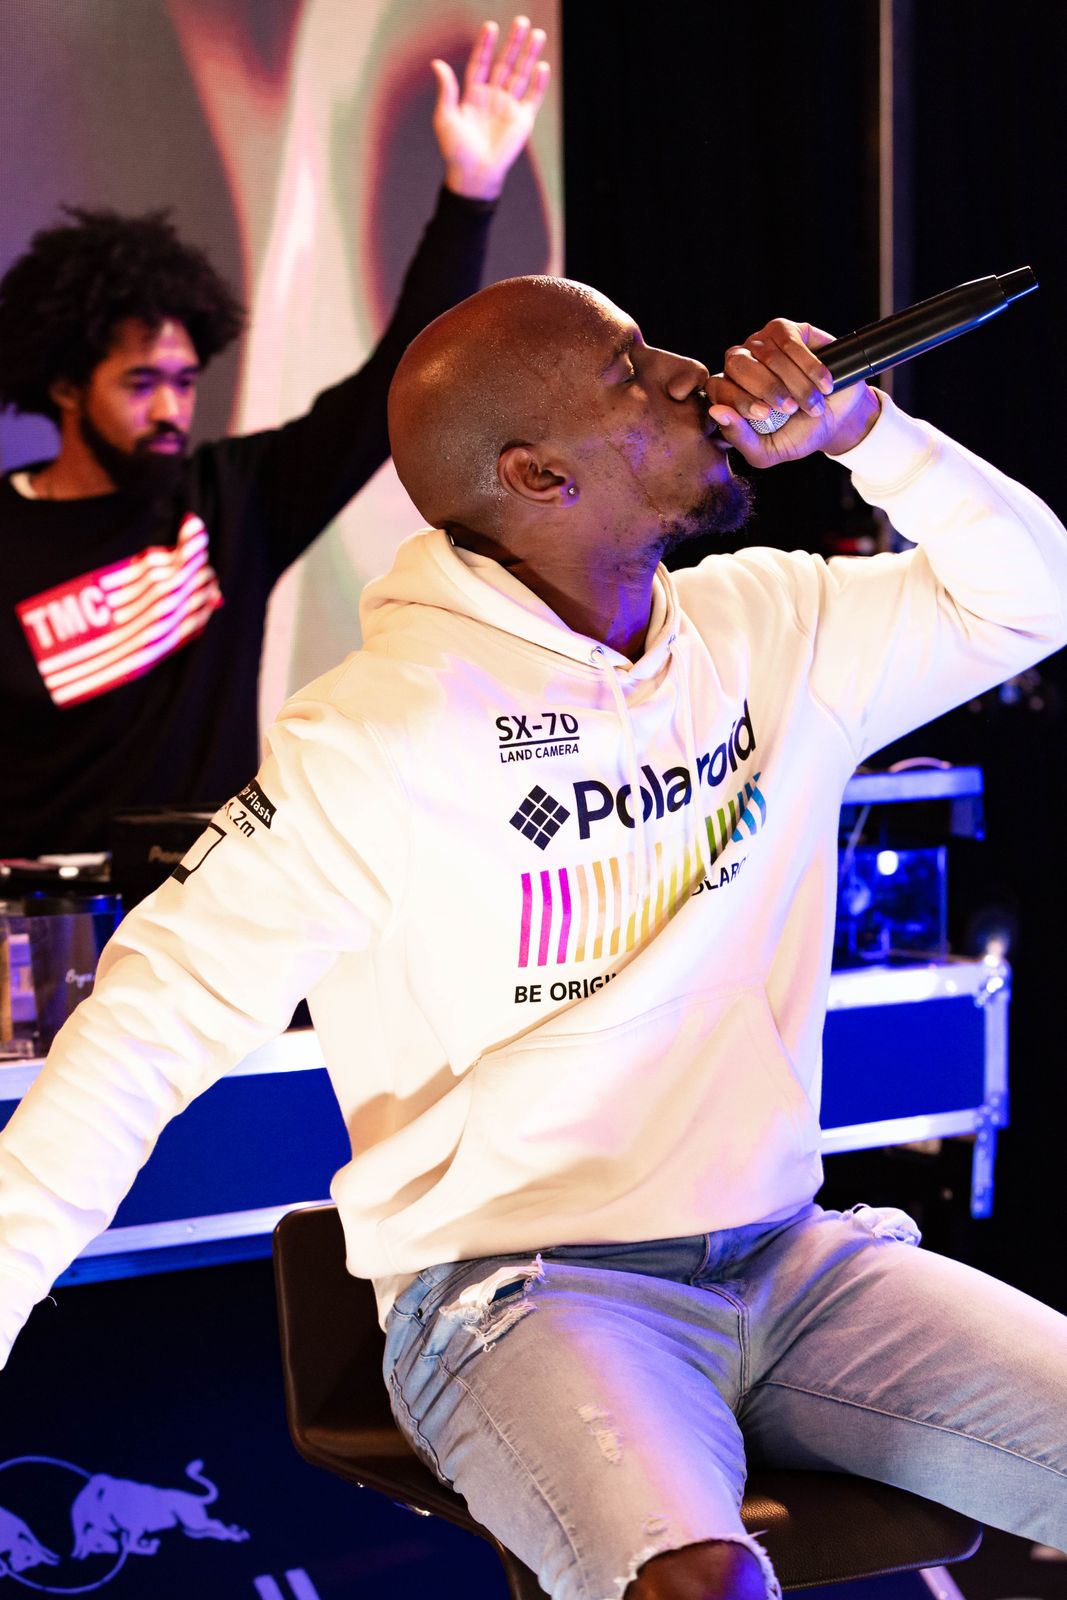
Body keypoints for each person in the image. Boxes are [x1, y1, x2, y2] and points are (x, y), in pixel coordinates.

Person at [2, 273, 1067, 1600]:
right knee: (699, 1584)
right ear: (537, 475)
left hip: (790, 1261)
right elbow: (143, 1027)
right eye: (631, 369)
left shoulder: (768, 629)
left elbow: (1032, 598)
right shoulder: (379, 734)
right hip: (519, 1294)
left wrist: (868, 434)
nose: (692, 372)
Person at [0, 15, 549, 858]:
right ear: (67, 386)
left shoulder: (231, 501)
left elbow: (393, 384)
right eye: (140, 384)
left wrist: (469, 193)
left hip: (209, 901)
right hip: (38, 915)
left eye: (184, 381)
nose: (171, 408)